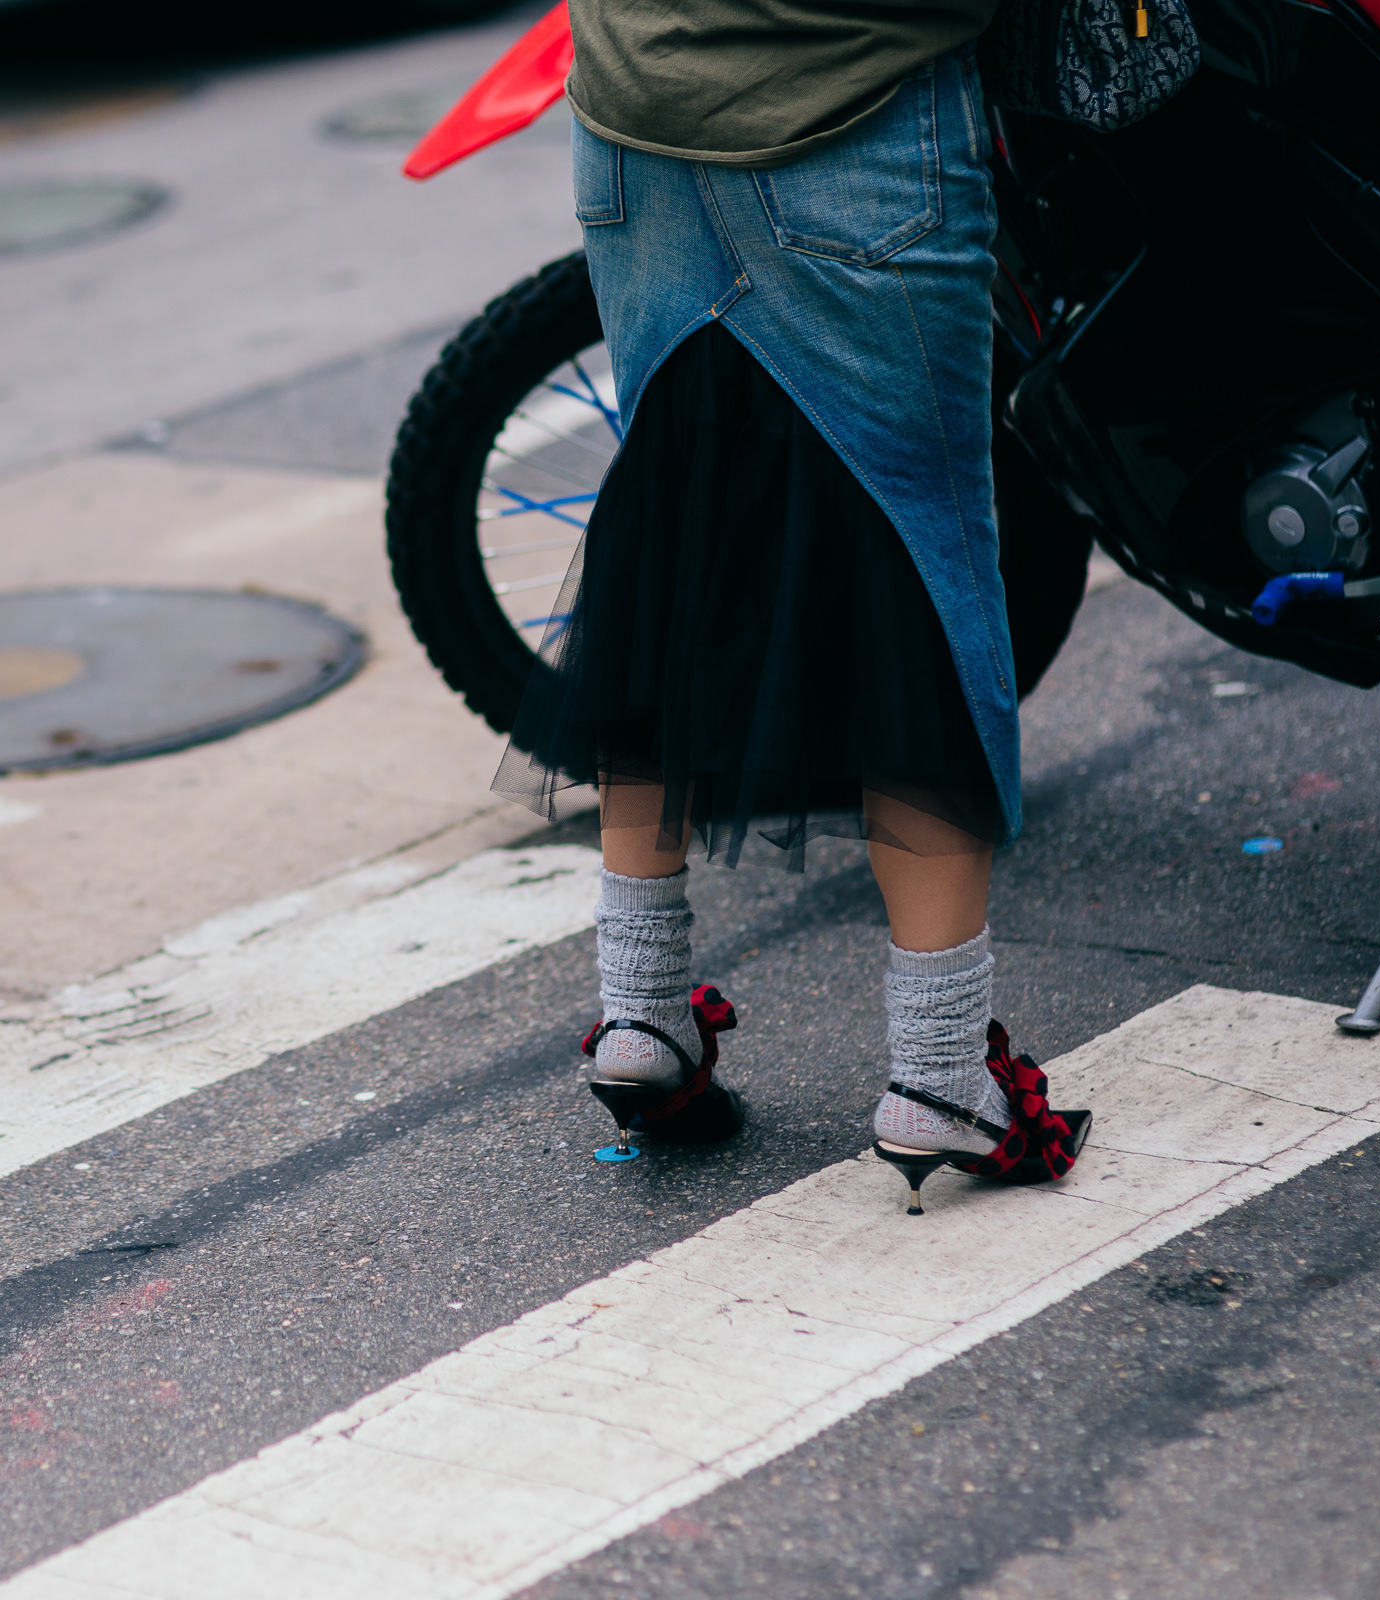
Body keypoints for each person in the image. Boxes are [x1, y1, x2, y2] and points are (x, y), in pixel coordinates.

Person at [501, 0, 1087, 1206]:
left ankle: (641, 1015)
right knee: (915, 577)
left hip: (633, 111)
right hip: (851, 113)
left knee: (673, 530)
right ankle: (937, 1075)